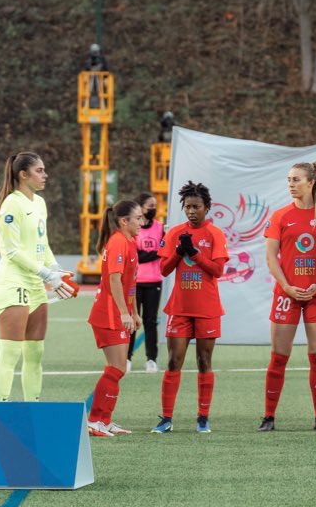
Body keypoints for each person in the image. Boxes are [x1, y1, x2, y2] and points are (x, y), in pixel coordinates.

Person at [259, 161, 316, 432]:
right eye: (289, 180)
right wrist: (286, 286)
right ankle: (268, 417)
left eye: (296, 179)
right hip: (286, 294)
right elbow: (271, 257)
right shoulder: (281, 216)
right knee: (278, 357)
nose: (291, 184)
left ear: (311, 182)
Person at [0, 152, 75, 401]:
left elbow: (42, 243)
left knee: (35, 353)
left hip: (36, 285)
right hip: (13, 283)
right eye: (39, 170)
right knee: (10, 353)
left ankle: (33, 410)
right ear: (23, 175)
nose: (45, 175)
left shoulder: (39, 203)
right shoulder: (11, 205)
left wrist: (54, 268)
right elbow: (12, 251)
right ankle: (0, 411)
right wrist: (46, 274)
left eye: (44, 170)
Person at [152, 181, 228, 434]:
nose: (191, 211)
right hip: (180, 307)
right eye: (187, 207)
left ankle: (203, 417)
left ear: (207, 207)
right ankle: (166, 418)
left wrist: (194, 253)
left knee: (204, 361)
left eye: (196, 207)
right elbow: (164, 270)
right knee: (174, 361)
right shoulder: (175, 232)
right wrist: (178, 252)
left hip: (207, 308)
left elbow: (217, 270)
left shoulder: (215, 234)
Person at [86, 200, 144, 437]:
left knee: (118, 368)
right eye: (137, 218)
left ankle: (105, 420)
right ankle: (94, 421)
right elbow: (114, 280)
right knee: (117, 368)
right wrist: (124, 312)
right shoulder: (118, 241)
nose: (141, 222)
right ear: (124, 221)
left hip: (118, 313)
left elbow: (131, 282)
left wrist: (134, 312)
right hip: (108, 315)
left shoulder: (130, 242)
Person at [129, 192, 163, 373]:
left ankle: (151, 359)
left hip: (154, 281)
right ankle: (127, 358)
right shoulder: (134, 228)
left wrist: (154, 253)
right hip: (135, 282)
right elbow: (136, 256)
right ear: (140, 208)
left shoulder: (160, 228)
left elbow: (165, 249)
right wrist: (156, 253)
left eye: (154, 206)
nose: (153, 209)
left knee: (150, 322)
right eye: (150, 206)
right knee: (132, 321)